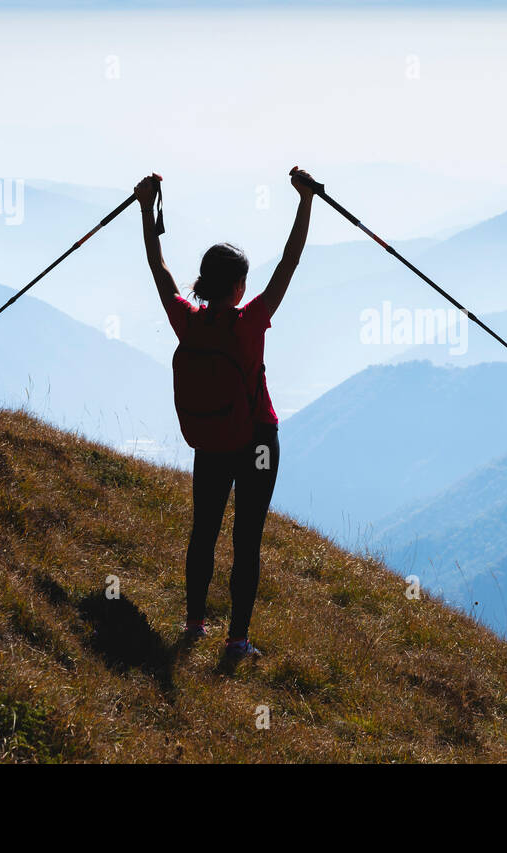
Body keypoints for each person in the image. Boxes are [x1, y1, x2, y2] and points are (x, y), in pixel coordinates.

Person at [135, 166, 316, 661]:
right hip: (257, 441)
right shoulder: (250, 321)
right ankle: (237, 639)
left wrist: (145, 208)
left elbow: (160, 270)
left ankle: (195, 623)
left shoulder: (186, 323)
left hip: (212, 441)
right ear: (237, 286)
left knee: (204, 529)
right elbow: (291, 260)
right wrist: (306, 201)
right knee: (247, 538)